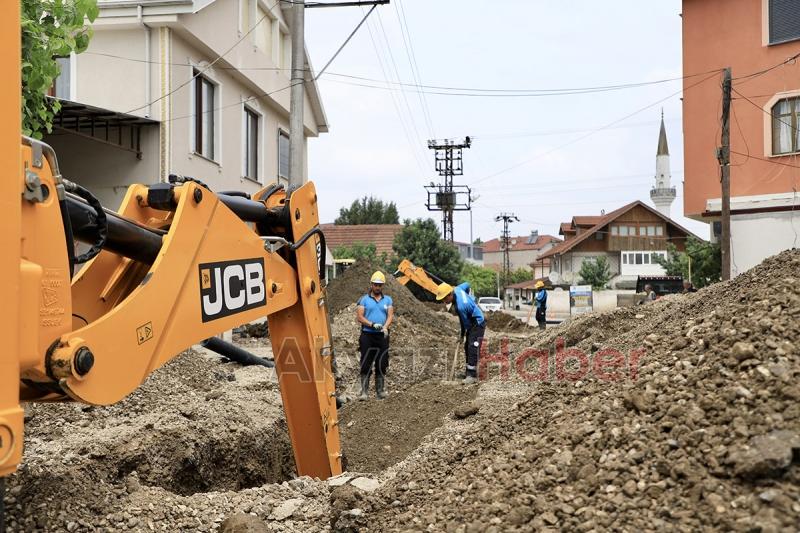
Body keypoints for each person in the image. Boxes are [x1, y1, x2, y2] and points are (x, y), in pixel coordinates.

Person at [436, 281, 486, 384]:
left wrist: (462, 335)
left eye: (445, 298)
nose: (444, 301)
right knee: (467, 346)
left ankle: (472, 376)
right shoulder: (457, 289)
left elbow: (465, 324)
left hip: (477, 322)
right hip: (471, 319)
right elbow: (467, 284)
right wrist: (468, 296)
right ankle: (468, 372)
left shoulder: (461, 306)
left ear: (450, 294)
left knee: (473, 346)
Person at [356, 271, 394, 400]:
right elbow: (360, 317)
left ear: (383, 286)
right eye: (375, 285)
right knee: (366, 363)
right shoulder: (364, 300)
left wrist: (385, 327)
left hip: (382, 336)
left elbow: (390, 316)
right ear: (371, 284)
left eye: (380, 285)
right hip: (367, 335)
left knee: (382, 363)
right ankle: (364, 392)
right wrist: (372, 324)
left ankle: (380, 391)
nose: (377, 287)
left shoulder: (388, 300)